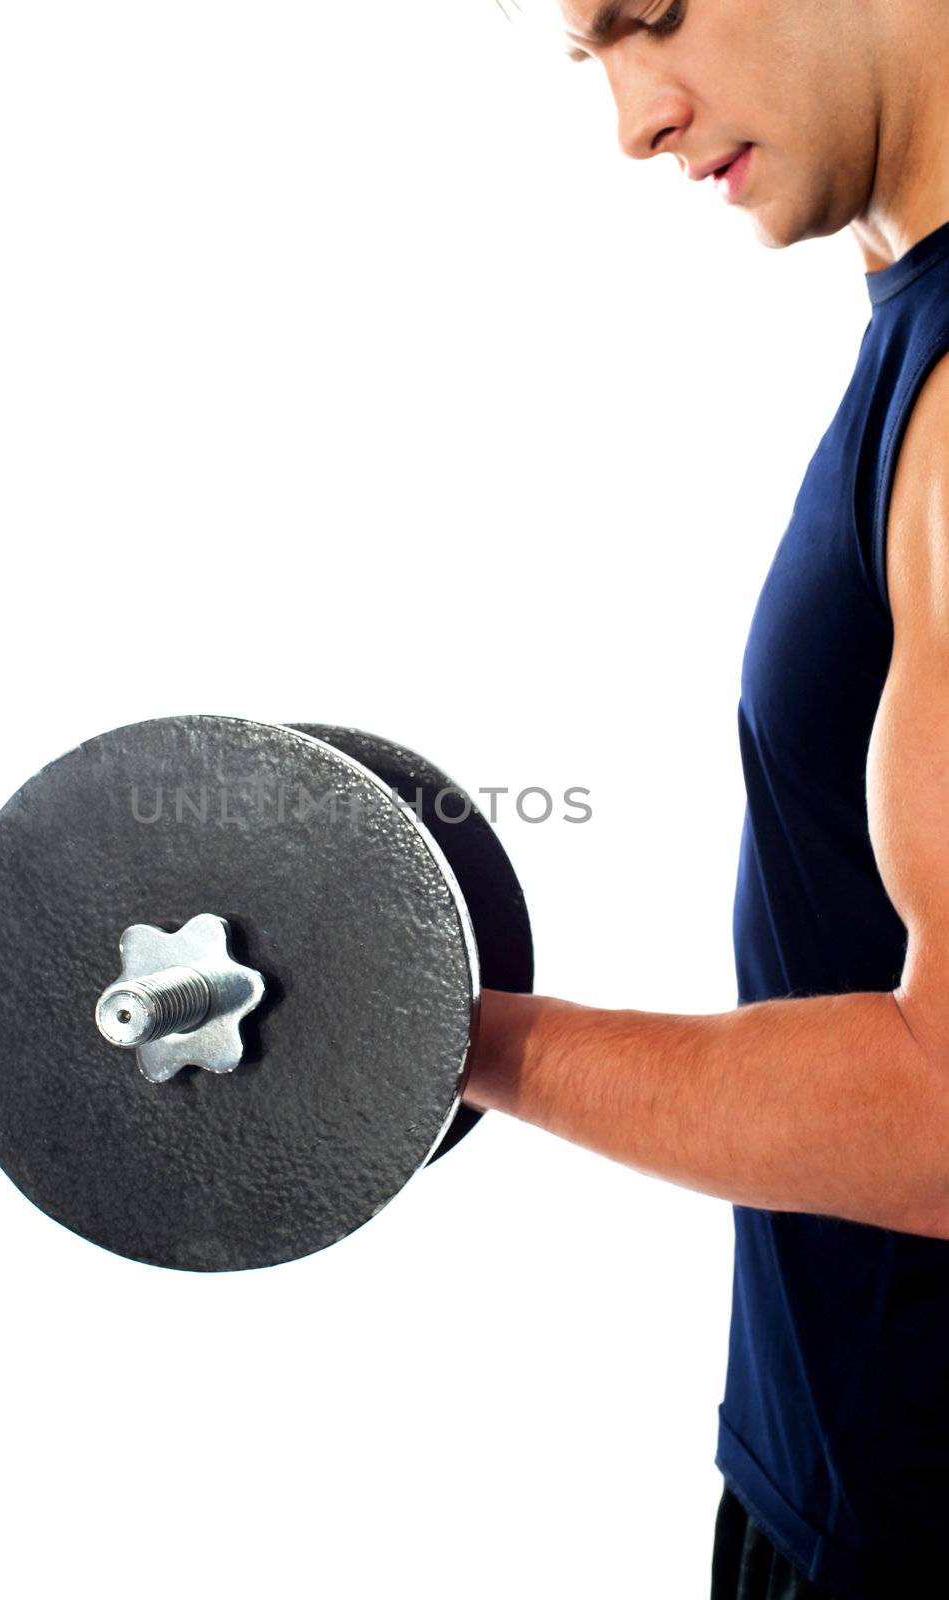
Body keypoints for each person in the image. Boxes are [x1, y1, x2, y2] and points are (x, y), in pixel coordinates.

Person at [461, 3, 949, 1596]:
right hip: (823, 1474)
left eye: (649, 20)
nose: (631, 122)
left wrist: (438, 1035)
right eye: (585, 58)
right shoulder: (910, 323)